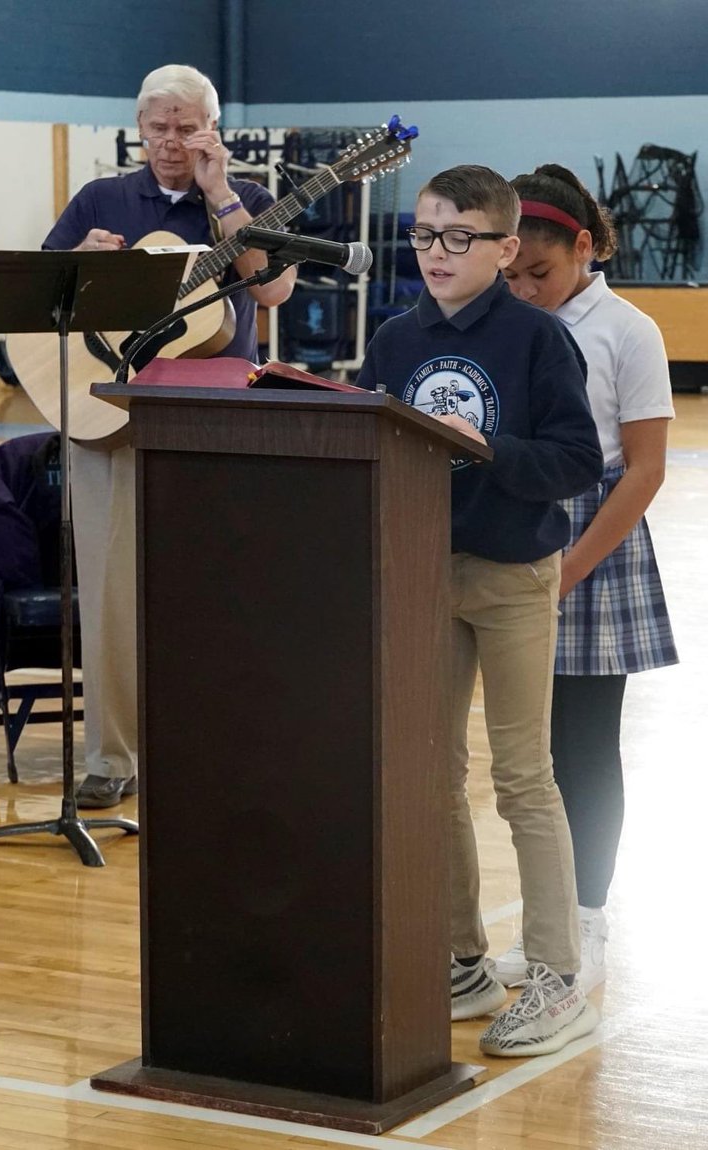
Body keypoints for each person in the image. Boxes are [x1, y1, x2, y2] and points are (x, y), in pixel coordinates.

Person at [356, 164, 604, 1057]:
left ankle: (554, 976)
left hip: (513, 576)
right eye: (424, 235)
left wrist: (486, 448)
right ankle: (461, 957)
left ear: (505, 249)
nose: (437, 253)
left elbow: (576, 460)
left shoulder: (539, 340)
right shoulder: (393, 340)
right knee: (429, 771)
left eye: (459, 237)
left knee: (523, 775)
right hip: (421, 569)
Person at [42, 63, 296, 808]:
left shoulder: (247, 197)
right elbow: (41, 299)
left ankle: (211, 746)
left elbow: (272, 285)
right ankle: (110, 757)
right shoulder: (102, 197)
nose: (171, 142)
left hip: (216, 419)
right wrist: (75, 268)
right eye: (158, 126)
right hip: (110, 417)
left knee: (219, 590)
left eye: (187, 127)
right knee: (110, 592)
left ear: (212, 129)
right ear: (139, 127)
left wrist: (221, 196)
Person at [490, 164, 678, 992]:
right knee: (521, 758)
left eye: (543, 273)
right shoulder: (496, 323)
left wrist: (567, 571)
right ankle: (546, 925)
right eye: (513, 275)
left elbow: (642, 471)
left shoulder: (628, 330)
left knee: (582, 748)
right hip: (503, 533)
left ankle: (588, 920)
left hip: (589, 546)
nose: (526, 290)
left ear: (586, 247)